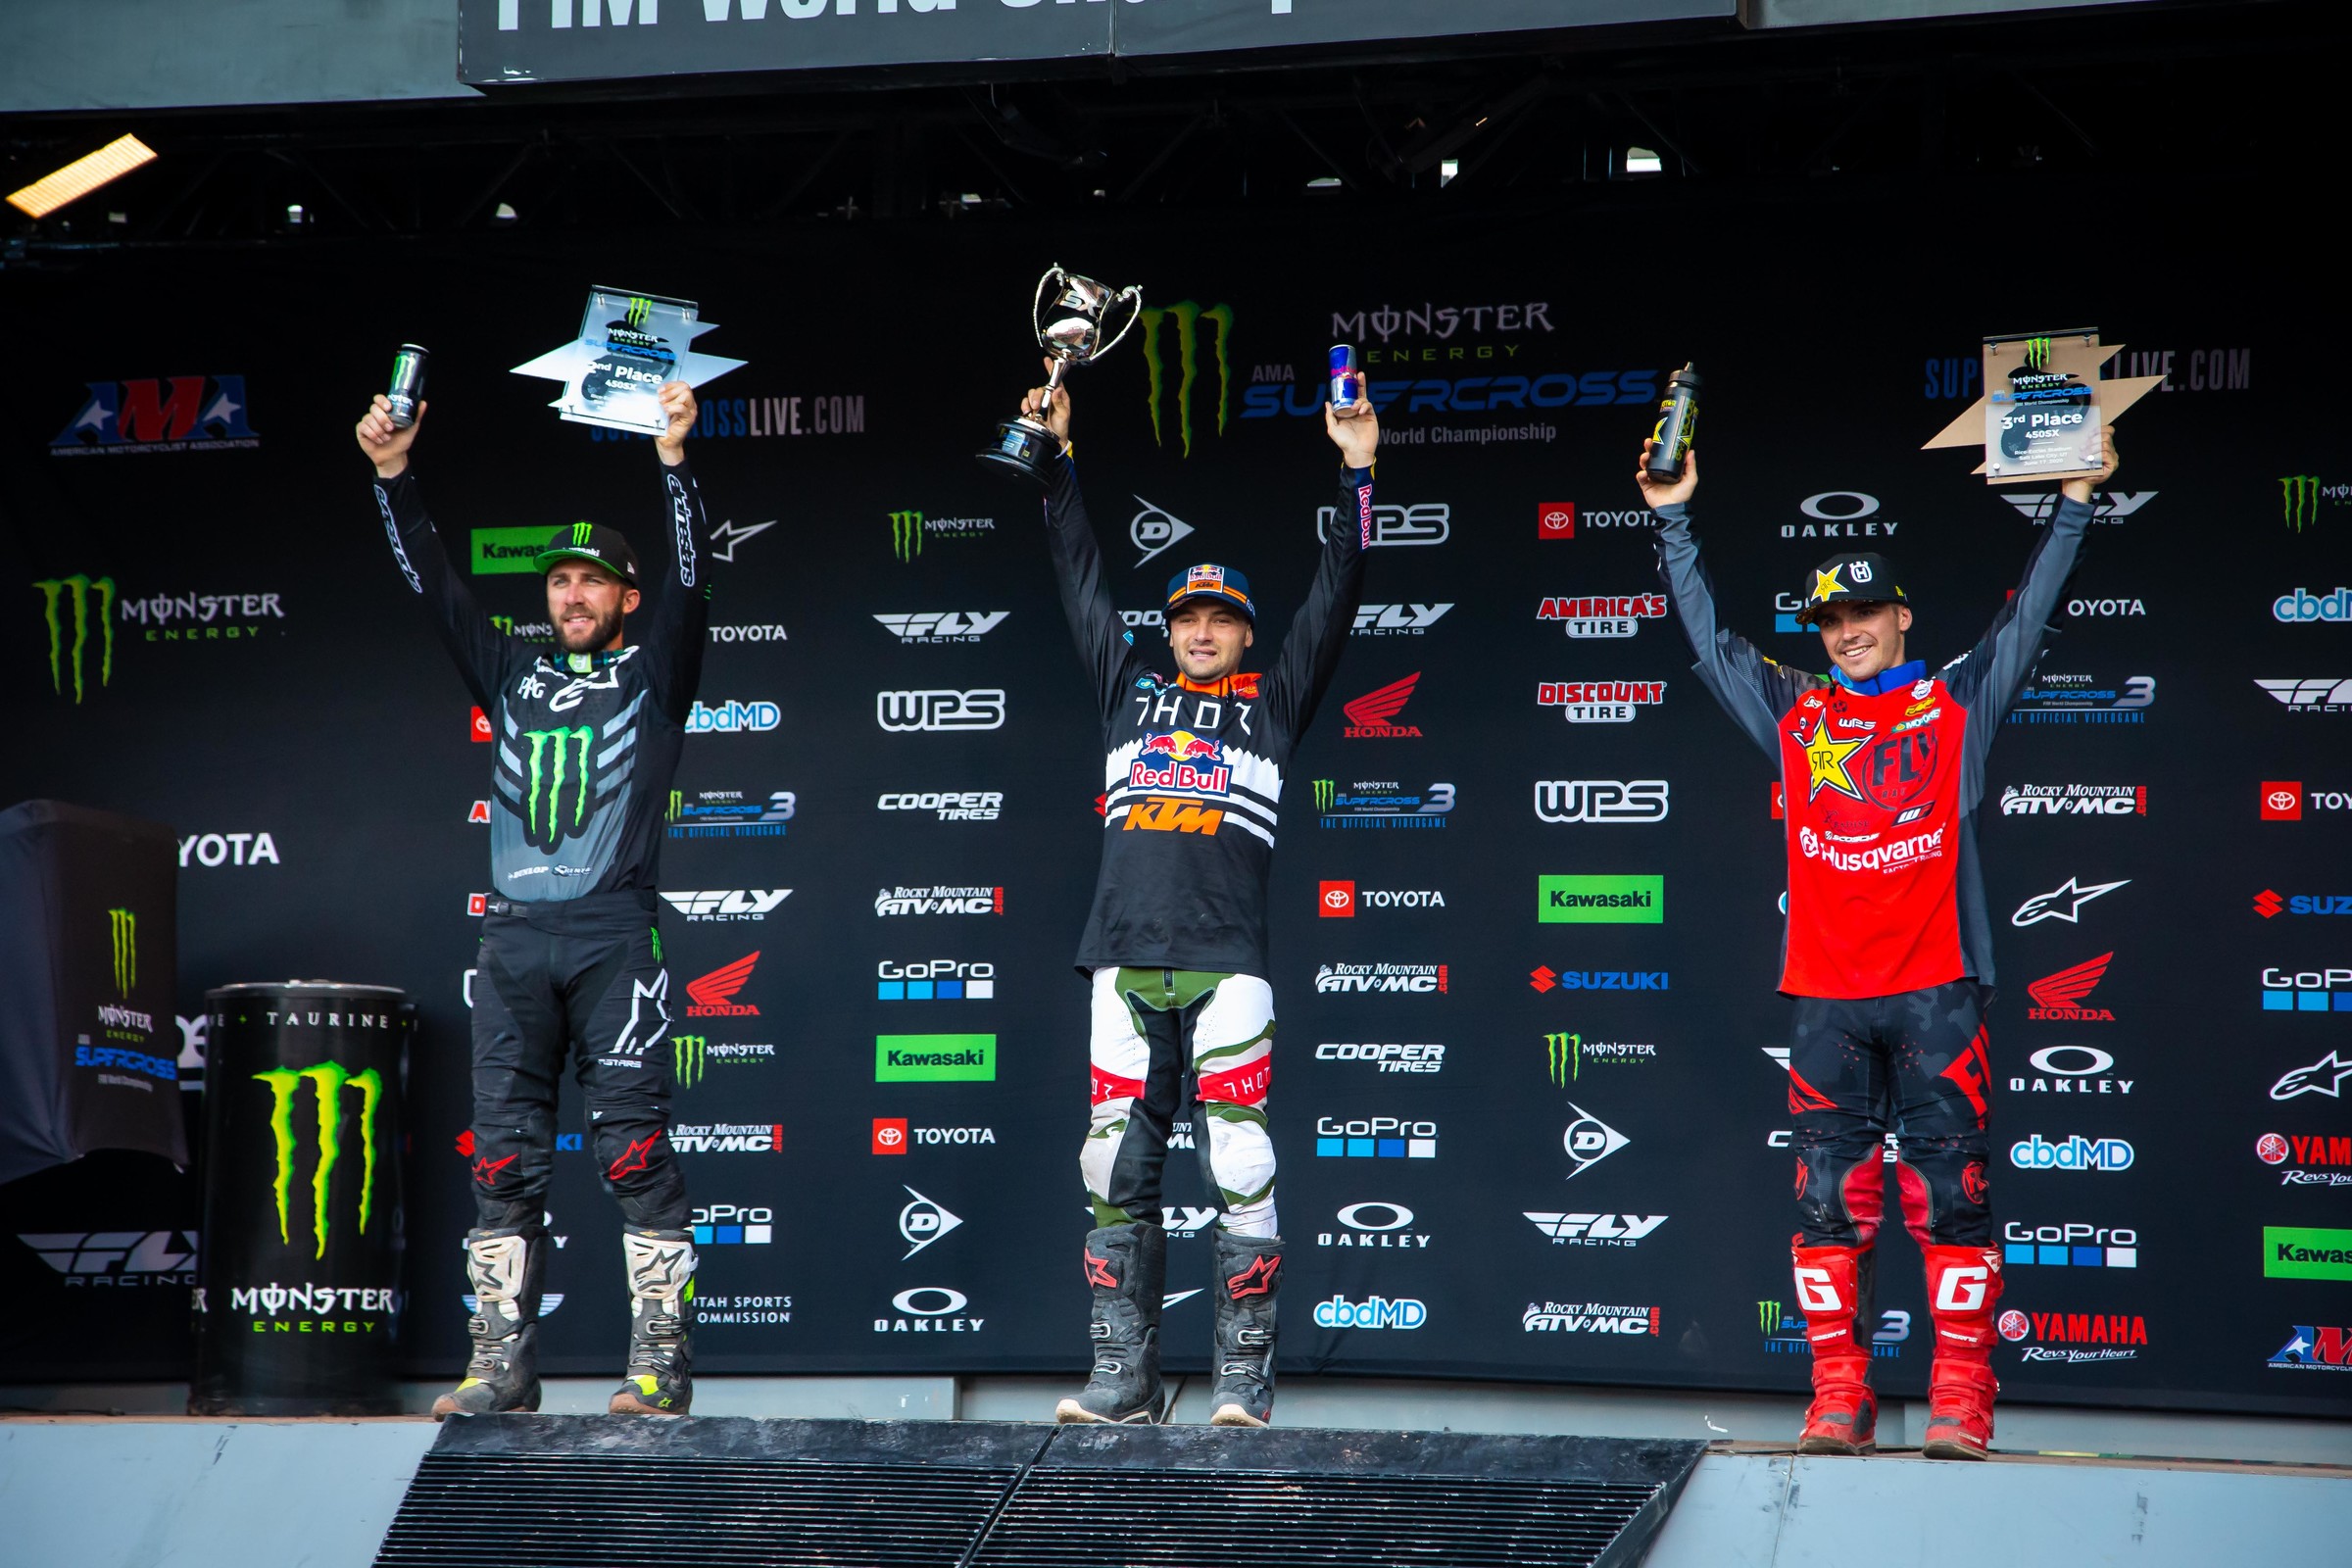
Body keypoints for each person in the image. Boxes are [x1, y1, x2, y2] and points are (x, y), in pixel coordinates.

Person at [1640, 425, 2118, 1461]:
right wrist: (1673, 519)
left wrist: (2076, 499)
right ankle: (1838, 1401)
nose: (1848, 629)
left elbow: (2030, 612)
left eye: (1865, 611)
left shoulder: (1956, 703)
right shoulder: (1795, 711)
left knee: (1954, 1198)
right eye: (1833, 617)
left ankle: (1961, 1401)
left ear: (1902, 616)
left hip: (1938, 991)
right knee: (1826, 1205)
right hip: (1825, 998)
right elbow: (1712, 638)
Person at [1017, 364, 1379, 1426]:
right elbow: (1077, 570)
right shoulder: (1127, 695)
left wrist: (1358, 471)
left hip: (1229, 966)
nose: (1202, 631)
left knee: (1244, 1155)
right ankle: (1124, 1378)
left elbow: (1338, 592)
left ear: (1247, 634)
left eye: (1221, 619)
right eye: (1187, 618)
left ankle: (1241, 1384)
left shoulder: (1272, 709)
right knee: (1109, 1162)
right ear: (1168, 630)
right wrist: (1060, 460)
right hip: (1123, 957)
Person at [355, 380, 721, 1417]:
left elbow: (697, 579)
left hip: (611, 933)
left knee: (634, 1150)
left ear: (625, 599)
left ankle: (660, 1363)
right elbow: (433, 584)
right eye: (560, 579)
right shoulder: (509, 670)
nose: (571, 594)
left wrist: (676, 465)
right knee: (504, 1162)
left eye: (592, 582)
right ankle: (500, 1365)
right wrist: (394, 474)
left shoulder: (657, 673)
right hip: (513, 939)